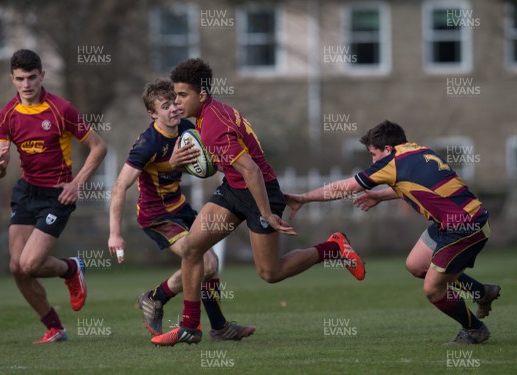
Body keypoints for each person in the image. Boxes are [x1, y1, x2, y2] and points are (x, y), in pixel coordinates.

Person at [150, 58, 366, 346]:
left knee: (270, 272)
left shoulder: (213, 125)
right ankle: (190, 326)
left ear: (201, 95)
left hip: (259, 191)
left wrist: (267, 211)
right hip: (234, 189)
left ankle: (333, 247)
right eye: (175, 95)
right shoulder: (211, 113)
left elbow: (251, 170)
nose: (176, 101)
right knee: (192, 247)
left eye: (182, 95)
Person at [285, 120, 500, 345]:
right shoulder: (418, 150)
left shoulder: (392, 162)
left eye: (373, 153)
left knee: (433, 290)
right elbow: (415, 185)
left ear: (387, 149)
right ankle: (480, 292)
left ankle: (475, 329)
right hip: (456, 221)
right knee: (417, 265)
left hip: (465, 227)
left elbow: (344, 187)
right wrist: (380, 195)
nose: (373, 160)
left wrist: (304, 198)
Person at [107, 78, 255, 341]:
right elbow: (119, 187)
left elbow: (206, 161)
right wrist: (115, 234)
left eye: (175, 102)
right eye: (166, 106)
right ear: (153, 113)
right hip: (157, 216)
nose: (174, 109)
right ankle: (155, 297)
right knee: (206, 262)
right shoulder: (147, 144)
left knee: (212, 264)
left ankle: (219, 327)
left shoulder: (187, 129)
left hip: (181, 207)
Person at [0, 49, 107, 344]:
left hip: (57, 195)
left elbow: (99, 147)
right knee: (17, 268)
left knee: (30, 265)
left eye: (31, 77)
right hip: (26, 191)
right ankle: (55, 327)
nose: (26, 84)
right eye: (20, 79)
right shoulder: (7, 115)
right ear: (12, 79)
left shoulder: (61, 109)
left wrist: (77, 183)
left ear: (42, 75)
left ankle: (71, 268)